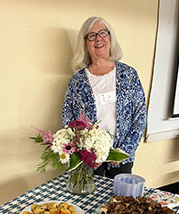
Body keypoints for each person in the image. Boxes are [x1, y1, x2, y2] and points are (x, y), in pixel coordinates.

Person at [62, 16, 147, 179]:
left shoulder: (128, 75)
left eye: (102, 33)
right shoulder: (77, 82)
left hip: (121, 159)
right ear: (85, 44)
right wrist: (86, 153)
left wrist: (124, 151)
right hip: (89, 161)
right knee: (89, 202)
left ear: (110, 37)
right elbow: (68, 120)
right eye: (91, 36)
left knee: (119, 203)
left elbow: (140, 115)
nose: (98, 39)